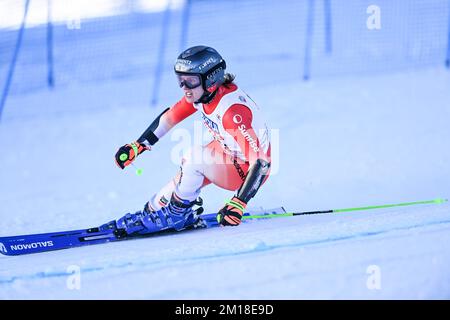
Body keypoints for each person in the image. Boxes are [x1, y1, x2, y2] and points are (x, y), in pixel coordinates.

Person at [114, 45, 271, 236]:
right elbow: (170, 117)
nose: (184, 88)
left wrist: (239, 202)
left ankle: (178, 213)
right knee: (176, 184)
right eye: (180, 81)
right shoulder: (203, 95)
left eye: (190, 81)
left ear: (211, 79)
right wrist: (138, 146)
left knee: (195, 157)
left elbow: (262, 162)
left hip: (247, 171)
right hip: (229, 152)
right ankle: (152, 212)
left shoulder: (231, 112)